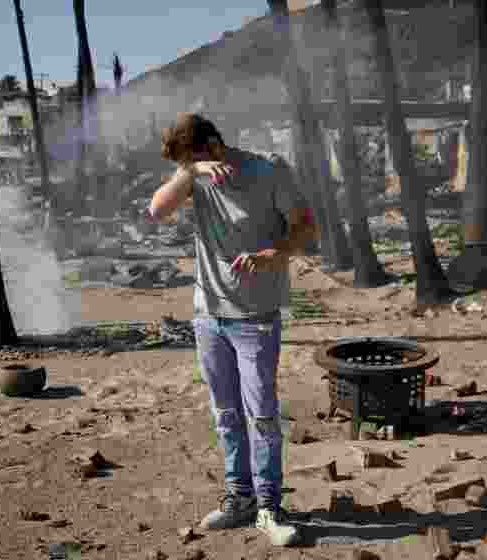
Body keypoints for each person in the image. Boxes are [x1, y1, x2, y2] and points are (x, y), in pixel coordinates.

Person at [146, 113, 318, 547]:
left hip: (255, 317)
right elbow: (156, 210)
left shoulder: (268, 169)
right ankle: (239, 499)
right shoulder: (194, 176)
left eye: (194, 158)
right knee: (225, 414)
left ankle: (269, 507)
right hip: (208, 315)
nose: (191, 168)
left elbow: (306, 228)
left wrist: (272, 253)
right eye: (185, 163)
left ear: (215, 146)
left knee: (261, 415)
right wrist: (190, 172)